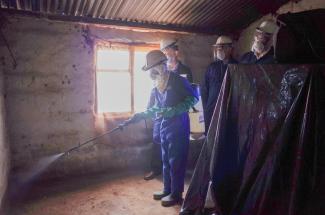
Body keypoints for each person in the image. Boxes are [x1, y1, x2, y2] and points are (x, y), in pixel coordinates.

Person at [127, 50, 198, 207]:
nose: (151, 73)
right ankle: (167, 189)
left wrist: (175, 110)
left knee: (176, 162)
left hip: (179, 126)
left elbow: (193, 98)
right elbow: (156, 108)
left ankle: (176, 194)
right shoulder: (158, 83)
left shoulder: (178, 80)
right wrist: (140, 116)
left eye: (152, 68)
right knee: (165, 161)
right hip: (165, 126)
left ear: (161, 65)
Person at [144, 39, 195, 181]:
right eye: (165, 50)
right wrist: (147, 111)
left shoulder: (181, 74)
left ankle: (175, 187)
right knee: (160, 146)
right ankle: (159, 173)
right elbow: (156, 95)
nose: (167, 52)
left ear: (174, 51)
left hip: (176, 118)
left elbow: (191, 96)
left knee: (175, 153)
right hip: (161, 117)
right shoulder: (157, 77)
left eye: (169, 49)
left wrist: (175, 110)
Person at [200, 36, 237, 134]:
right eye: (218, 47)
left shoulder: (237, 67)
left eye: (222, 47)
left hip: (229, 111)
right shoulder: (212, 67)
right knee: (211, 135)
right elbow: (204, 89)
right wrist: (205, 108)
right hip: (211, 110)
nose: (219, 50)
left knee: (226, 135)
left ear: (230, 48)